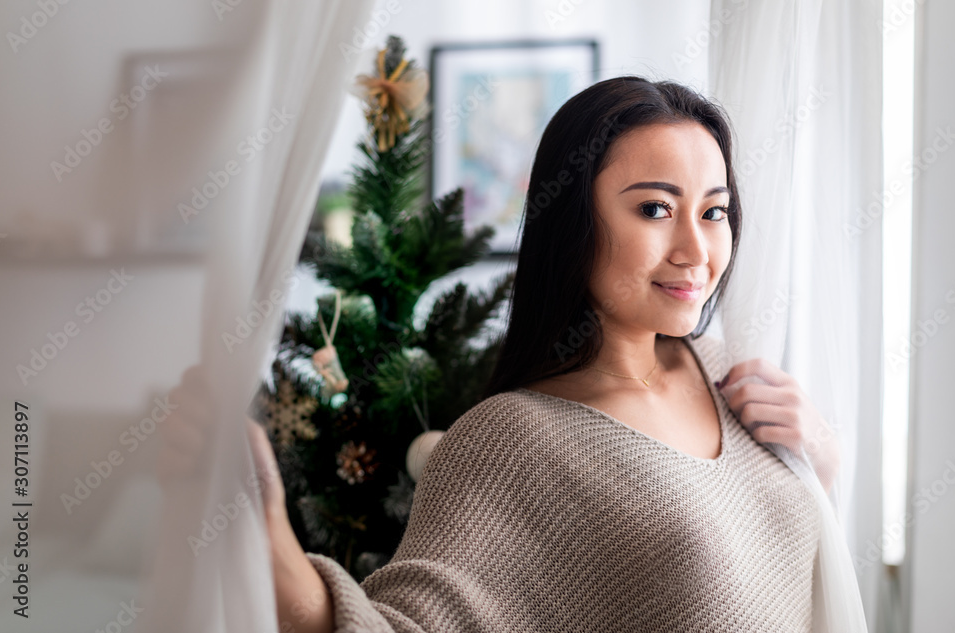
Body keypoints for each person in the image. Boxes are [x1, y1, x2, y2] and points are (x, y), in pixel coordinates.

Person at [168, 76, 844, 632]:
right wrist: (264, 535)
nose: (697, 252)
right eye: (655, 210)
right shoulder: (514, 439)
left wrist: (820, 459)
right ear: (574, 222)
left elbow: (803, 569)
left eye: (714, 212)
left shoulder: (728, 373)